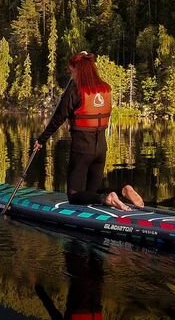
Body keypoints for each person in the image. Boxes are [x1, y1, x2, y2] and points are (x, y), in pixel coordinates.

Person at [34, 51, 143, 211]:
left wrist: (41, 140)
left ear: (77, 69)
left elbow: (58, 118)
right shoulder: (104, 88)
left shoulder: (75, 90)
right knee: (91, 191)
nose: (71, 75)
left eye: (72, 71)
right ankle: (122, 189)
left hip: (82, 149)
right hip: (101, 148)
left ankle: (106, 198)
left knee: (74, 195)